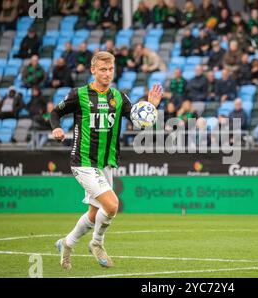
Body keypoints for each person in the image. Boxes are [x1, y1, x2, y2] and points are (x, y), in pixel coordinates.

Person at [50, 51, 163, 270]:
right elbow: (55, 113)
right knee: (112, 205)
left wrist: (150, 107)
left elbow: (138, 122)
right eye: (103, 69)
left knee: (94, 214)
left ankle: (67, 243)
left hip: (106, 163)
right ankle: (96, 243)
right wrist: (56, 127)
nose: (107, 74)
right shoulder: (79, 94)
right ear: (93, 70)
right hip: (82, 161)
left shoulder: (119, 97)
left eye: (110, 69)